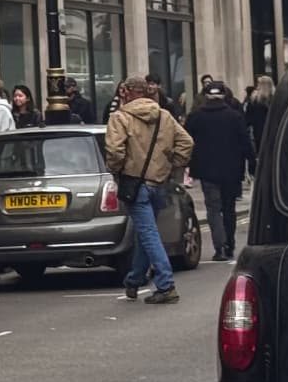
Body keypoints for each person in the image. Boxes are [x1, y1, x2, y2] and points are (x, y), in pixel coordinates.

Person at [104, 78, 196, 304]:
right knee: (144, 232)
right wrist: (173, 163)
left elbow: (115, 151)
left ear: (126, 92)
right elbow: (187, 142)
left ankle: (166, 285)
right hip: (159, 183)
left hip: (135, 184)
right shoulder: (164, 115)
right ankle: (134, 280)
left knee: (149, 234)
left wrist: (115, 170)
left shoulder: (120, 117)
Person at [185, 80, 251, 262]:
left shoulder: (196, 117)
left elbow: (185, 141)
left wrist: (188, 163)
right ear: (224, 96)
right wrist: (251, 164)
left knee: (213, 209)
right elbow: (245, 143)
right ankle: (229, 244)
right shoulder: (235, 117)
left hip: (207, 171)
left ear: (206, 96)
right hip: (231, 170)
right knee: (229, 208)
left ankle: (220, 247)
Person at [245, 75, 274, 167]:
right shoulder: (275, 99)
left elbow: (248, 118)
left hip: (259, 132)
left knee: (262, 156)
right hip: (273, 131)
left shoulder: (254, 100)